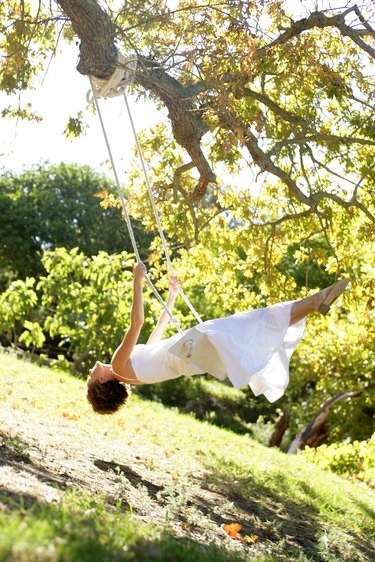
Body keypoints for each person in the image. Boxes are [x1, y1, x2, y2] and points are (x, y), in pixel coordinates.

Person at [86, 262, 349, 414]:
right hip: (191, 348)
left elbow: (157, 334)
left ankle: (315, 302)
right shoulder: (119, 366)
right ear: (101, 380)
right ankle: (314, 301)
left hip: (194, 358)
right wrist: (137, 280)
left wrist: (172, 296)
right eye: (90, 375)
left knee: (251, 328)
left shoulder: (134, 374)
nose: (90, 370)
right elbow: (137, 323)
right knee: (250, 323)